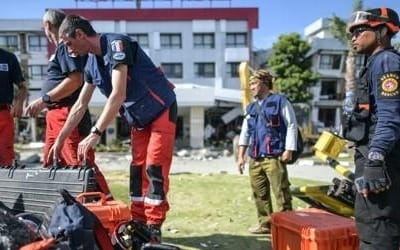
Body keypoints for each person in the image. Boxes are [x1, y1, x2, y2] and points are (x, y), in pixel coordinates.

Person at [51, 15, 177, 242]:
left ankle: (154, 224)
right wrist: (60, 139)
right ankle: (138, 221)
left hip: (161, 109)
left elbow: (118, 94)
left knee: (154, 167)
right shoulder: (90, 63)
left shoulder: (116, 45)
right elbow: (80, 104)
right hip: (139, 118)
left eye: (68, 43)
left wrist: (95, 132)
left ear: (80, 34)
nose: (69, 51)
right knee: (137, 170)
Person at [25, 9, 111, 197]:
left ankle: (104, 206)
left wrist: (44, 100)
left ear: (48, 26)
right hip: (55, 115)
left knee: (78, 164)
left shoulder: (67, 47)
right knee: (51, 161)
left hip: (67, 113)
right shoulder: (61, 49)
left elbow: (75, 80)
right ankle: (60, 209)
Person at [344, 7, 400, 250]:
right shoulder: (374, 62)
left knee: (377, 228)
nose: (354, 37)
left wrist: (375, 160)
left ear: (382, 31)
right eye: (352, 33)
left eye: (360, 30)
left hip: (381, 161)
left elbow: (389, 116)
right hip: (375, 155)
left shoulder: (386, 61)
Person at [237, 69, 297, 234]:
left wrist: (289, 149)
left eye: (254, 83)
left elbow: (292, 125)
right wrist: (240, 156)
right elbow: (245, 132)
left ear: (264, 83)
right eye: (250, 84)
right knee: (259, 193)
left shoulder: (280, 101)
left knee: (281, 193)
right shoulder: (250, 108)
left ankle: (288, 227)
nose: (251, 87)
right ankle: (265, 224)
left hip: (274, 156)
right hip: (255, 158)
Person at [0, 48, 27, 166]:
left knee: (6, 158)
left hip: (4, 114)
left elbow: (22, 86)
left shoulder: (8, 58)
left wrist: (19, 102)